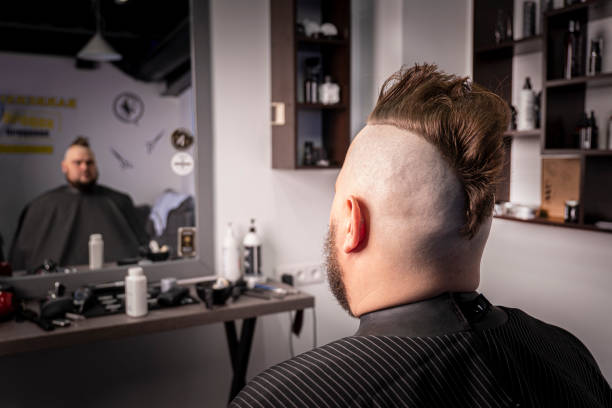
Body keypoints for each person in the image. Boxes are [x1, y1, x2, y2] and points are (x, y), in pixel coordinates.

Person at [231, 65, 612, 407]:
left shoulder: (281, 398)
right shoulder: (566, 352)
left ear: (352, 223)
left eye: (337, 195)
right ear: (480, 222)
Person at [9, 137, 147, 271]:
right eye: (78, 162)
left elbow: (143, 249)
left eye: (89, 162)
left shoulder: (120, 201)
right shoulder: (40, 206)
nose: (84, 167)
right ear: (64, 167)